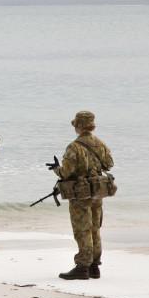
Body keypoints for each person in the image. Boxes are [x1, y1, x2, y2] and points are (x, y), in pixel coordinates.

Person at [54, 111, 114, 280]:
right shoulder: (99, 144)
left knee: (82, 229)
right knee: (95, 228)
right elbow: (109, 164)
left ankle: (82, 267)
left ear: (79, 126)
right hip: (97, 192)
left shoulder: (74, 146)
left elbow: (66, 172)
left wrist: (55, 169)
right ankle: (95, 266)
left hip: (81, 194)